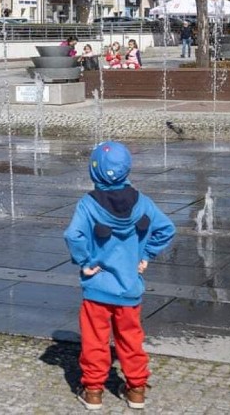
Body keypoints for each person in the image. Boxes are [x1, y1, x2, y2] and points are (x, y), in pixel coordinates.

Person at [64, 141, 175, 411]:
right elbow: (167, 229)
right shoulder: (143, 203)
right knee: (130, 339)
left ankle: (93, 391)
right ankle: (136, 389)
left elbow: (73, 235)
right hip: (129, 289)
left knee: (95, 341)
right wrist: (145, 254)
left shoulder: (88, 205)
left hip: (97, 290)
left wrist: (86, 261)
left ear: (95, 172)